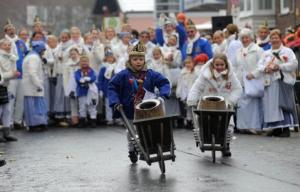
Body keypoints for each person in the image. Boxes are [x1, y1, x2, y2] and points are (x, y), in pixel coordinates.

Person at [108, 42, 171, 163]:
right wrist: (115, 102)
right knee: (131, 131)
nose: (138, 62)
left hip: (149, 109)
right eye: (135, 59)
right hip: (130, 109)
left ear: (144, 60)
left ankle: (151, 146)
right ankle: (132, 149)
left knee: (151, 129)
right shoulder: (123, 75)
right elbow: (112, 87)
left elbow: (164, 82)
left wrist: (163, 95)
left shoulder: (151, 74)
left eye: (141, 59)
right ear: (130, 60)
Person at [187, 53, 242, 156]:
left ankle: (226, 145)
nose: (220, 67)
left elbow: (238, 89)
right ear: (213, 65)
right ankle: (204, 139)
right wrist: (192, 100)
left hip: (224, 105)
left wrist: (230, 101)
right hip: (208, 104)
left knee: (228, 124)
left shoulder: (231, 76)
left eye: (222, 65)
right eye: (217, 65)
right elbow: (197, 87)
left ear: (226, 65)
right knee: (206, 123)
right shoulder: (205, 75)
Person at [258, 29, 299, 137]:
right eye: (272, 38)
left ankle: (286, 128)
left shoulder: (287, 51)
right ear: (270, 40)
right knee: (271, 106)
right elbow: (259, 66)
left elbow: (294, 64)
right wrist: (266, 69)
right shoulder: (266, 53)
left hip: (283, 81)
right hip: (270, 82)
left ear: (280, 38)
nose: (274, 40)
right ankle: (276, 128)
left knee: (283, 104)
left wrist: (279, 67)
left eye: (276, 37)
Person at [233, 28, 264, 134]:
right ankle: (243, 126)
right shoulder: (238, 51)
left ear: (251, 38)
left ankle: (254, 126)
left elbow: (262, 64)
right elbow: (235, 66)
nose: (244, 40)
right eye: (242, 38)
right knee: (242, 103)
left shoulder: (258, 50)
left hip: (253, 81)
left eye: (246, 37)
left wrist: (254, 74)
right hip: (241, 80)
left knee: (253, 104)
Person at [22, 41, 48, 132]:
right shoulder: (34, 57)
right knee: (34, 106)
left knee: (35, 106)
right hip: (33, 87)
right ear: (39, 49)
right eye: (43, 50)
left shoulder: (32, 56)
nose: (43, 52)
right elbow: (32, 73)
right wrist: (39, 84)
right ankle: (35, 124)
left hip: (32, 86)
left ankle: (38, 123)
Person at [0, 39, 20, 141]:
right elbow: (1, 76)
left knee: (7, 110)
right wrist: (12, 74)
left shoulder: (12, 57)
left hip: (6, 86)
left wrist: (14, 74)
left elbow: (13, 72)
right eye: (5, 45)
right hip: (1, 85)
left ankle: (6, 133)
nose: (8, 47)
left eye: (9, 45)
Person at [73, 54, 98, 128]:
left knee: (92, 106)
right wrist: (82, 80)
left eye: (86, 61)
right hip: (82, 91)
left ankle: (93, 120)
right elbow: (77, 78)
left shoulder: (91, 70)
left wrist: (88, 79)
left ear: (88, 62)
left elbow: (93, 77)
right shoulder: (78, 71)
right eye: (82, 61)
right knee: (82, 106)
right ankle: (82, 120)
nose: (84, 63)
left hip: (91, 92)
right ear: (80, 63)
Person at [98, 48, 118, 125]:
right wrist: (100, 89)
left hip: (116, 88)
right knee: (108, 104)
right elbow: (100, 79)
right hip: (107, 88)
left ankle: (117, 118)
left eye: (111, 57)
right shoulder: (103, 67)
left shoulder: (116, 67)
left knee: (116, 104)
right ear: (105, 58)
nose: (110, 59)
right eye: (108, 57)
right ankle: (109, 118)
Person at [176, 57, 197, 128]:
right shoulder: (182, 72)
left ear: (193, 63)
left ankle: (195, 122)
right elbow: (180, 83)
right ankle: (189, 121)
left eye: (189, 63)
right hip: (185, 93)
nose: (188, 65)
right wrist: (178, 92)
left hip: (192, 92)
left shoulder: (195, 72)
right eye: (186, 63)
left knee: (193, 108)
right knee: (187, 108)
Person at [63, 47, 80, 127]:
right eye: (71, 54)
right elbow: (65, 77)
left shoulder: (81, 63)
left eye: (74, 53)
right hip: (71, 86)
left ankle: (83, 118)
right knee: (73, 103)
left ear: (78, 54)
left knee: (81, 102)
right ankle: (75, 120)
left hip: (80, 85)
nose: (73, 55)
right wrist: (67, 88)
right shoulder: (67, 64)